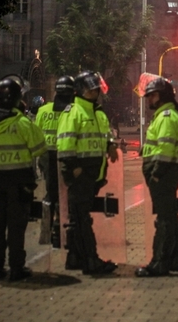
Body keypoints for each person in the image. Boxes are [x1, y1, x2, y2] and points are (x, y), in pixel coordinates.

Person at [0, 78, 45, 281]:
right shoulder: (23, 124)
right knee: (16, 226)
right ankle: (16, 268)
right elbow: (40, 148)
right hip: (19, 182)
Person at [57, 71, 118, 275]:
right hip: (80, 175)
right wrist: (73, 169)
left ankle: (74, 257)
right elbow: (65, 145)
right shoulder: (73, 112)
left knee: (78, 218)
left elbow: (105, 133)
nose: (95, 92)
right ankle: (91, 260)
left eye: (96, 89)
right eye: (91, 89)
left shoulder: (98, 112)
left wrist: (110, 145)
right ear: (81, 90)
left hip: (94, 175)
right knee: (82, 219)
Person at [136, 77, 178, 277]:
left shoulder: (165, 117)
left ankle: (160, 263)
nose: (149, 99)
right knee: (170, 217)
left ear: (162, 96)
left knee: (164, 220)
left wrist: (156, 174)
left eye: (152, 95)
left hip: (163, 174)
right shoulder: (165, 116)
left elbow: (165, 149)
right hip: (166, 173)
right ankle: (174, 259)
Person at [34, 75, 74, 249]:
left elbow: (36, 135)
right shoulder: (74, 110)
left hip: (46, 156)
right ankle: (62, 231)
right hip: (66, 156)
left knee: (50, 194)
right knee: (66, 195)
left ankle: (47, 231)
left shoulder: (43, 110)